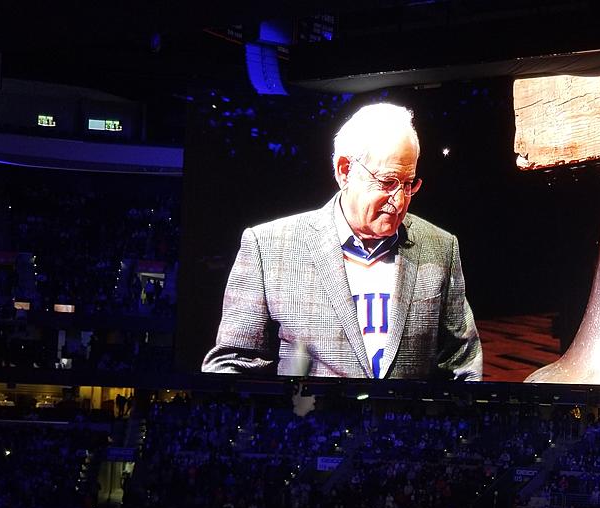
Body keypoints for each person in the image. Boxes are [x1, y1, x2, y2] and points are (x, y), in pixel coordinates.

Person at [203, 102, 483, 380]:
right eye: (386, 182)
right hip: (308, 422)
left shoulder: (440, 247)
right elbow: (231, 365)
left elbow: (462, 364)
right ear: (344, 170)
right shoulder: (269, 247)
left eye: (408, 184)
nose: (399, 200)